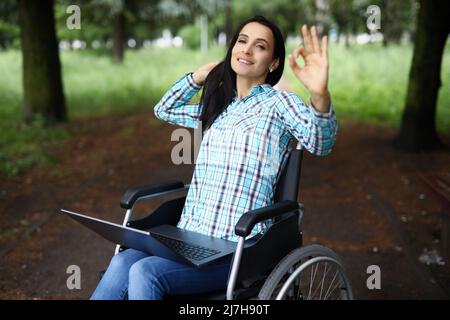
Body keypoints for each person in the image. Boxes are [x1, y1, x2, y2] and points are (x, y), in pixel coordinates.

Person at [91, 15, 337, 300]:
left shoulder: (279, 104)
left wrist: (320, 95)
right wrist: (198, 77)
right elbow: (164, 109)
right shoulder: (219, 106)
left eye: (259, 46)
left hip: (238, 247)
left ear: (273, 63)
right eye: (242, 42)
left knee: (145, 272)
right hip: (189, 239)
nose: (246, 50)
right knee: (124, 260)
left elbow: (320, 143)